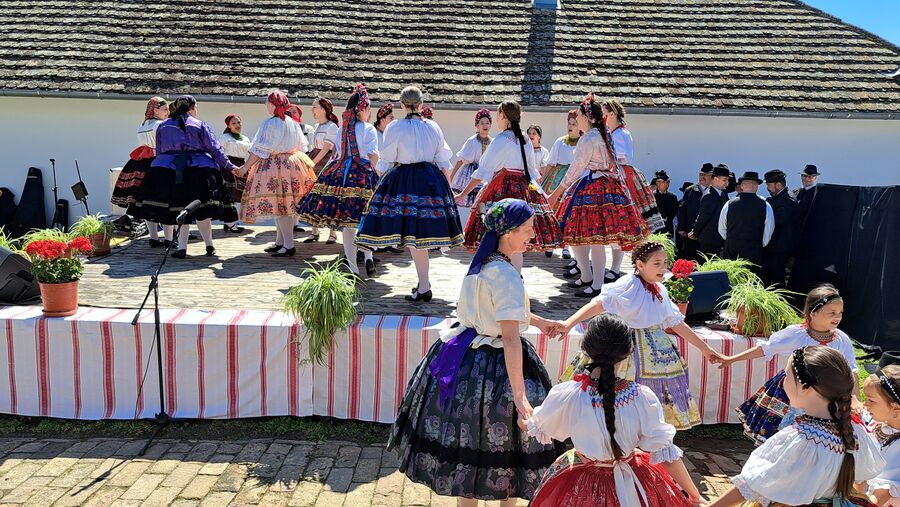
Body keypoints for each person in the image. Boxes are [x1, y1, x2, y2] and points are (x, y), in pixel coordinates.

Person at [386, 199, 566, 505]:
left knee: (464, 446)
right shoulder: (506, 273)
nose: (532, 235)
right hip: (496, 364)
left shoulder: (483, 264)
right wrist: (520, 397)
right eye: (527, 228)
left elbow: (495, 310)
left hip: (464, 357)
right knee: (511, 451)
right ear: (508, 232)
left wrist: (540, 321)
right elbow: (510, 337)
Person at [526, 314, 704, 507]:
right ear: (629, 352)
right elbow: (666, 455)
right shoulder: (642, 397)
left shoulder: (569, 395)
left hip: (580, 480)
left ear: (585, 348)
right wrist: (695, 495)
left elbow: (539, 425)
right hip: (634, 477)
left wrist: (523, 411)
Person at [554, 241, 723, 429]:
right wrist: (569, 323)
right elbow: (599, 304)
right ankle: (608, 428)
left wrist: (705, 348)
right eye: (657, 263)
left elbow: (676, 323)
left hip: (655, 351)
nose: (663, 268)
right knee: (615, 390)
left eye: (665, 263)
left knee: (648, 398)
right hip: (622, 345)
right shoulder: (629, 284)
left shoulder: (660, 290)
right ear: (640, 265)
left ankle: (645, 430)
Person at [709, 346, 883, 507]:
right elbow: (860, 477)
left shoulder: (800, 438)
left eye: (786, 376)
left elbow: (754, 483)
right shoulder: (855, 431)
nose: (782, 382)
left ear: (806, 388)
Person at [717, 284, 860, 444]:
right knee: (784, 433)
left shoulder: (841, 339)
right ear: (813, 312)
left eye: (840, 312)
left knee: (815, 435)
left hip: (826, 393)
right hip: (793, 390)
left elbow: (851, 370)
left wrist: (854, 399)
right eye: (832, 312)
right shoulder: (795, 334)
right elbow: (766, 348)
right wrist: (731, 359)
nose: (838, 317)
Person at [355, 86, 462, 296]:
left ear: (402, 105)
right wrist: (448, 190)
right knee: (419, 236)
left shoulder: (395, 127)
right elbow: (443, 161)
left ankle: (424, 286)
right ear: (421, 104)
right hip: (431, 181)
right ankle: (424, 284)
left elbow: (387, 159)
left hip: (405, 181)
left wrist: (380, 180)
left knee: (414, 237)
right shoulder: (433, 127)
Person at [547, 93, 646, 297]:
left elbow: (575, 169)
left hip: (593, 187)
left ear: (587, 117)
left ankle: (597, 283)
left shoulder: (590, 138)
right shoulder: (602, 134)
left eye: (579, 115)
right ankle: (587, 276)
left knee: (593, 238)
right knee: (586, 237)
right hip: (604, 185)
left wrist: (556, 194)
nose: (577, 119)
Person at [457, 101, 561, 271]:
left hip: (501, 189)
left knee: (498, 235)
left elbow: (483, 170)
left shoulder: (501, 139)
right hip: (522, 189)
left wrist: (462, 194)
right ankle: (516, 277)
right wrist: (540, 192)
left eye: (498, 115)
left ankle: (497, 275)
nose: (497, 119)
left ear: (504, 116)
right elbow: (531, 170)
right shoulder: (525, 138)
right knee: (516, 239)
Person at [130, 95, 238, 259]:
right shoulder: (199, 124)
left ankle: (182, 248)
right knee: (202, 210)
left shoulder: (163, 126)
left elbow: (160, 151)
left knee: (179, 209)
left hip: (169, 171)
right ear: (192, 108)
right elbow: (214, 149)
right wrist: (230, 166)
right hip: (199, 171)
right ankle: (209, 245)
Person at [297, 84, 380, 276]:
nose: (369, 113)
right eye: (368, 108)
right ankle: (368, 256)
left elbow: (338, 154)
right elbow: (373, 155)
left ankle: (353, 268)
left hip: (340, 175)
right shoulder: (368, 128)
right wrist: (376, 174)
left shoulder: (343, 128)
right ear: (363, 109)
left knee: (348, 225)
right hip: (363, 176)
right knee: (366, 219)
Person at [230, 91, 315, 257]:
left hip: (275, 166)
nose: (266, 106)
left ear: (273, 104)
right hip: (293, 164)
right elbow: (302, 146)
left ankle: (288, 246)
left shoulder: (271, 123)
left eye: (267, 103)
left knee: (282, 208)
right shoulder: (292, 122)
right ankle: (280, 242)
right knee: (281, 206)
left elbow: (260, 149)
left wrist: (244, 168)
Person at [603, 99, 665, 282]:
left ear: (612, 114)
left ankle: (619, 268)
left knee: (622, 224)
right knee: (617, 226)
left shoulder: (620, 133)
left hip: (622, 177)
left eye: (604, 114)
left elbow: (622, 157)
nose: (602, 118)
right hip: (617, 175)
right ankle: (619, 267)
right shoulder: (615, 132)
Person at [110, 96, 174, 247]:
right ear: (155, 110)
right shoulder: (161, 125)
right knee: (167, 202)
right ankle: (169, 239)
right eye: (165, 109)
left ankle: (153, 238)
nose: (168, 112)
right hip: (159, 163)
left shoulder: (142, 125)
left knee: (146, 203)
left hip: (141, 165)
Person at [540, 110, 580, 261]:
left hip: (574, 178)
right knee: (553, 211)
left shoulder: (584, 142)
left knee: (568, 212)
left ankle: (566, 247)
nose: (570, 126)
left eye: (574, 124)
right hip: (557, 178)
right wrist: (542, 182)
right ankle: (550, 244)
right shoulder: (560, 142)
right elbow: (550, 163)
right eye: (569, 123)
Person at [301, 97, 341, 244]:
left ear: (323, 109)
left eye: (315, 107)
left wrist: (312, 163)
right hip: (315, 158)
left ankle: (332, 233)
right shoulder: (316, 126)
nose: (312, 109)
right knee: (313, 196)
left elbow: (326, 149)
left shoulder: (332, 127)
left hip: (326, 161)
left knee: (328, 196)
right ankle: (314, 231)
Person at [717, 171, 774, 271]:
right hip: (754, 249)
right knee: (750, 277)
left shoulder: (729, 203)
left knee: (731, 275)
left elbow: (721, 228)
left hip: (732, 249)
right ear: (756, 187)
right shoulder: (765, 205)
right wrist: (760, 244)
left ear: (742, 186)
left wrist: (731, 240)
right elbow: (769, 230)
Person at [863, 358, 900, 506]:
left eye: (871, 400)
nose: (865, 404)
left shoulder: (897, 448)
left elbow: (882, 494)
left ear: (896, 408)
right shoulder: (881, 421)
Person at [448, 108, 493, 229]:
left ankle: (481, 226)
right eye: (482, 123)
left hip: (486, 174)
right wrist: (451, 176)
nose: (485, 125)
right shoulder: (472, 141)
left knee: (483, 201)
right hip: (471, 174)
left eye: (487, 123)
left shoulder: (493, 142)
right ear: (477, 125)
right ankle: (469, 227)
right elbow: (460, 159)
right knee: (473, 201)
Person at [761, 169, 797, 288]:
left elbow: (776, 221)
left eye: (769, 185)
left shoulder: (787, 201)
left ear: (778, 185)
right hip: (773, 247)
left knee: (777, 278)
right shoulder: (777, 199)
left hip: (780, 248)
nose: (767, 188)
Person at [218, 113, 252, 234]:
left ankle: (230, 222)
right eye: (233, 123)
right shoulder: (225, 137)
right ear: (228, 125)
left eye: (238, 122)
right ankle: (230, 222)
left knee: (238, 196)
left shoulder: (245, 138)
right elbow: (219, 153)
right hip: (228, 167)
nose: (237, 125)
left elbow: (249, 153)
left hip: (242, 166)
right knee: (229, 195)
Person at [688, 163, 730, 259]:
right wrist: (695, 233)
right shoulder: (709, 196)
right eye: (725, 180)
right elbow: (702, 217)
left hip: (720, 238)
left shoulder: (723, 193)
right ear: (715, 179)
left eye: (727, 180)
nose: (727, 183)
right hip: (709, 240)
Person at [676, 163, 713, 260]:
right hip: (691, 231)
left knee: (706, 258)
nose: (702, 177)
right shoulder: (690, 190)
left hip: (708, 232)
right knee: (691, 256)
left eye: (705, 175)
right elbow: (682, 209)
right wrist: (681, 227)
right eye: (701, 174)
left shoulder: (715, 191)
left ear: (712, 177)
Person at [653, 170, 678, 237]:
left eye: (668, 182)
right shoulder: (651, 197)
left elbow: (673, 213)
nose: (667, 184)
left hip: (668, 231)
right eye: (664, 182)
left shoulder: (673, 197)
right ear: (658, 183)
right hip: (654, 232)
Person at [373, 102, 395, 176]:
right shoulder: (374, 135)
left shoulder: (390, 134)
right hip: (377, 174)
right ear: (382, 120)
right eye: (391, 118)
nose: (393, 121)